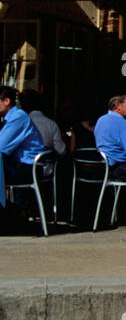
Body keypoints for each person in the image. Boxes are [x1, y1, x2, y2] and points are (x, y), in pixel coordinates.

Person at [0, 86, 49, 224]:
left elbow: (1, 146)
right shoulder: (9, 119)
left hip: (27, 168)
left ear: (6, 101)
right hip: (18, 165)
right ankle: (14, 212)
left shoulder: (17, 117)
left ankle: (13, 212)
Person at [19, 91, 68, 156]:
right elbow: (61, 151)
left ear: (23, 107)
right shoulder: (52, 124)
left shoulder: (21, 123)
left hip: (25, 164)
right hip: (47, 165)